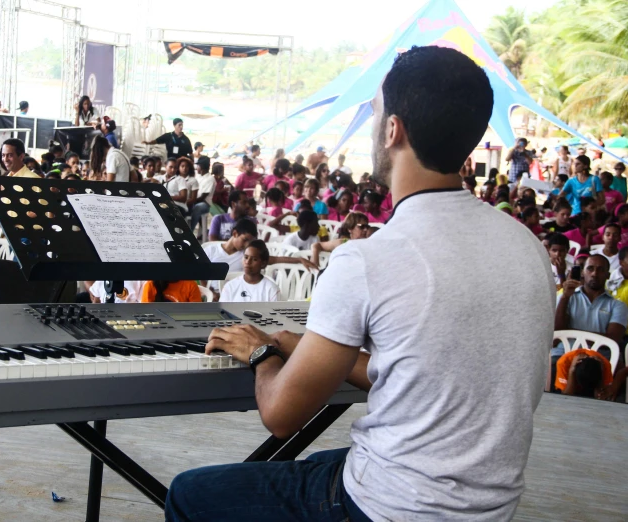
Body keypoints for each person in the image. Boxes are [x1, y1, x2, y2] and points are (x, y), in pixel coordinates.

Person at [167, 46, 554, 522]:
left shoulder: (368, 260)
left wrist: (263, 354)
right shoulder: (528, 248)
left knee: (189, 492)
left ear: (393, 131)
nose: (373, 124)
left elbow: (281, 416)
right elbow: (425, 376)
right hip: (487, 508)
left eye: (374, 113)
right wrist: (296, 343)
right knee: (321, 463)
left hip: (389, 508)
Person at [554, 254, 628, 386]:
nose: (594, 273)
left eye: (600, 270)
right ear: (582, 273)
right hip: (564, 354)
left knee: (595, 372)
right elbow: (557, 330)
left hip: (600, 359)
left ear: (608, 275)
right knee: (551, 367)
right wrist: (565, 297)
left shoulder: (617, 305)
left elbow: (612, 339)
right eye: (590, 268)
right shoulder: (566, 297)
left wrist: (571, 332)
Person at [554, 349, 627, 400]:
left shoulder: (604, 364)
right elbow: (566, 397)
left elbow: (600, 396)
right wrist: (571, 371)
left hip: (591, 392)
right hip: (573, 391)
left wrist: (601, 372)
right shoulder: (563, 363)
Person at [189, 157, 214, 239]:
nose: (196, 168)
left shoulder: (210, 179)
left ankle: (189, 231)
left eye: (198, 166)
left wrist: (191, 201)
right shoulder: (198, 176)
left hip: (205, 204)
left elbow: (203, 197)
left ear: (202, 167)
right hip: (195, 200)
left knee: (197, 207)